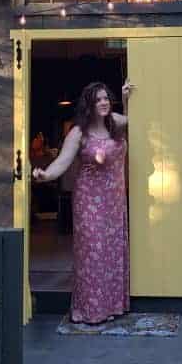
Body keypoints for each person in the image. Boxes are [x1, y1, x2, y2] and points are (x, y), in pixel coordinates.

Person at [33, 79, 134, 324]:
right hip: (89, 202)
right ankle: (90, 311)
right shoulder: (79, 132)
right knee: (92, 254)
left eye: (106, 98)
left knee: (111, 254)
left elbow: (137, 119)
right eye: (98, 99)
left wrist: (127, 98)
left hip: (114, 201)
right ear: (88, 104)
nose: (103, 102)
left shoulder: (117, 122)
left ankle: (112, 307)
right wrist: (46, 175)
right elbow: (62, 162)